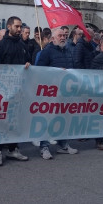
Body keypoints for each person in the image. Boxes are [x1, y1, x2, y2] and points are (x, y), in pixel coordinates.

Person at [0, 16, 31, 166]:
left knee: (15, 121)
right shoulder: (0, 46)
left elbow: (28, 63)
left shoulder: (23, 45)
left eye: (21, 27)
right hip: (3, 91)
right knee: (1, 122)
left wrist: (28, 64)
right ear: (9, 27)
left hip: (19, 90)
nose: (19, 29)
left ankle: (13, 149)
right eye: (17, 27)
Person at [36, 27, 78, 159]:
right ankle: (44, 146)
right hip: (51, 91)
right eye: (60, 35)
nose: (63, 37)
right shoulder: (46, 52)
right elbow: (39, 71)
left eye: (65, 35)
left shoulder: (68, 51)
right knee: (48, 119)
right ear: (53, 38)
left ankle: (63, 144)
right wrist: (56, 71)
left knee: (63, 118)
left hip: (65, 91)